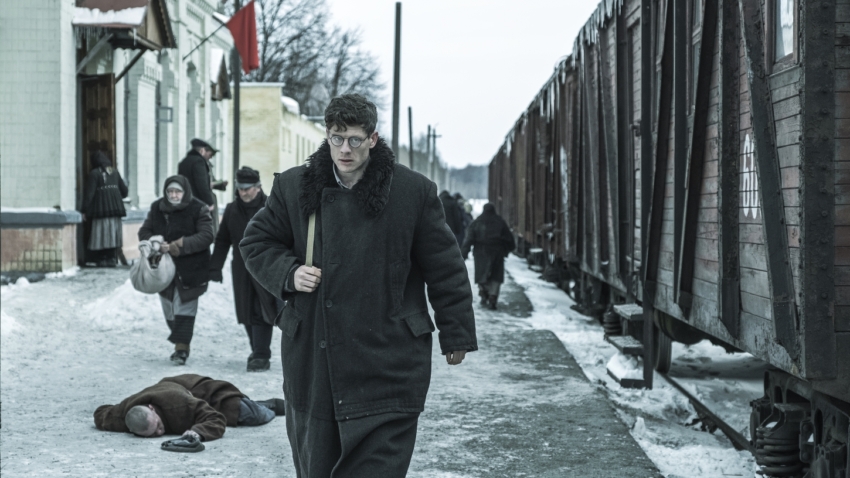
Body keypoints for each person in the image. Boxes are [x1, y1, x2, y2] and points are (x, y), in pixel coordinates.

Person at [239, 93, 477, 477]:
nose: (344, 149)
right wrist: (288, 273)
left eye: (354, 139)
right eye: (336, 138)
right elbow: (256, 243)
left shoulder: (412, 192)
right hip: (315, 359)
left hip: (389, 357)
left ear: (373, 139)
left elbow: (445, 267)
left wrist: (457, 332)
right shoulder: (294, 186)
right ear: (327, 136)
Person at [209, 166, 279, 372]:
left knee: (262, 309)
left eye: (247, 188)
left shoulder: (271, 206)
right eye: (240, 188)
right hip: (241, 268)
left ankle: (261, 355)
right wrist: (215, 267)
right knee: (246, 310)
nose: (244, 192)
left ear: (258, 187)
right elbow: (222, 240)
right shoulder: (232, 209)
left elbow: (286, 236)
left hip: (266, 266)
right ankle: (257, 350)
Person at [139, 175, 214, 365]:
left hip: (191, 269)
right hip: (163, 269)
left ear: (185, 192)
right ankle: (179, 338)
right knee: (169, 308)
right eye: (170, 191)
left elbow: (206, 235)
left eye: (177, 191)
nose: (173, 195)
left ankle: (182, 348)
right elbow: (144, 231)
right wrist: (155, 242)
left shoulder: (199, 208)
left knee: (185, 307)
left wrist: (177, 245)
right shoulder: (157, 207)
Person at [93, 374, 285, 442]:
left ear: (152, 408)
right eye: (153, 434)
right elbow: (100, 413)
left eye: (158, 426)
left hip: (203, 392)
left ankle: (274, 405)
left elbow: (216, 419)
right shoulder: (123, 418)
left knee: (254, 415)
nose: (160, 433)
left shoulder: (178, 403)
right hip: (179, 392)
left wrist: (198, 432)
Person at [461, 203, 516, 310]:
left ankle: (483, 291)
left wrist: (463, 254)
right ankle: (493, 296)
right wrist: (507, 250)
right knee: (496, 276)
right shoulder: (500, 222)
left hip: (480, 253)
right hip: (497, 252)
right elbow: (510, 239)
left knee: (482, 274)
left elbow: (468, 240)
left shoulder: (476, 222)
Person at [82, 151, 128, 267]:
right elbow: (125, 192)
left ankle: (102, 259)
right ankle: (111, 258)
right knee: (113, 234)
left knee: (101, 234)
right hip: (116, 209)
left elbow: (89, 195)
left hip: (101, 210)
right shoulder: (115, 172)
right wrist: (114, 196)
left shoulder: (94, 174)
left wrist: (84, 210)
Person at [178, 138, 224, 236]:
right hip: (200, 203)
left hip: (186, 202)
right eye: (210, 154)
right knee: (205, 231)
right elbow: (201, 184)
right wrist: (209, 202)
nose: (210, 157)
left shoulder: (183, 162)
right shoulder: (199, 162)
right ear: (202, 150)